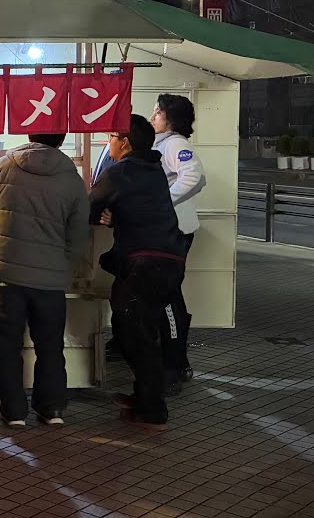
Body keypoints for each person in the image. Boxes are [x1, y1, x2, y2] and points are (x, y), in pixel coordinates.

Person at [0, 134, 90, 427]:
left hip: (5, 274)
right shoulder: (71, 177)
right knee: (51, 345)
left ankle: (14, 412)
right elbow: (78, 236)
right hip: (51, 279)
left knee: (7, 345)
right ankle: (52, 408)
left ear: (29, 134)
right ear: (61, 138)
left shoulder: (3, 166)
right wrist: (61, 265)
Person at [89, 115, 189, 431]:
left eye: (111, 137)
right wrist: (115, 217)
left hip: (144, 264)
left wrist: (104, 214)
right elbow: (142, 211)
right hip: (170, 260)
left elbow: (88, 209)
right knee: (137, 330)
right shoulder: (153, 172)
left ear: (125, 142)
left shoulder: (119, 172)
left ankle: (153, 410)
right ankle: (144, 396)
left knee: (135, 334)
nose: (109, 143)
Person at [150, 94, 206, 394]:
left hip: (176, 231)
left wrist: (162, 200)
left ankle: (176, 365)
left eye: (157, 112)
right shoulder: (163, 143)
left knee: (169, 297)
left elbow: (195, 178)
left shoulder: (176, 144)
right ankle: (174, 360)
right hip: (168, 229)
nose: (153, 116)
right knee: (167, 296)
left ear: (170, 118)